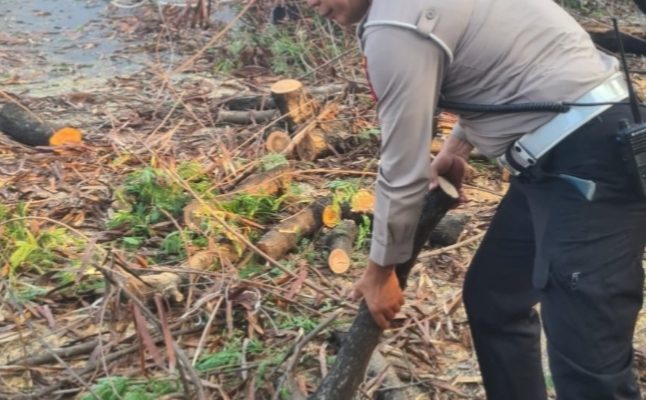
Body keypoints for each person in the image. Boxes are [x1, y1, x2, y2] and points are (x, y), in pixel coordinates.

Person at [306, 0, 646, 399]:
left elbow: (402, 170)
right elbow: (503, 66)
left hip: (590, 162)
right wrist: (456, 147)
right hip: (557, 158)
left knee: (587, 359)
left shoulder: (396, 26)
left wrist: (381, 273)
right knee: (495, 299)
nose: (309, 3)